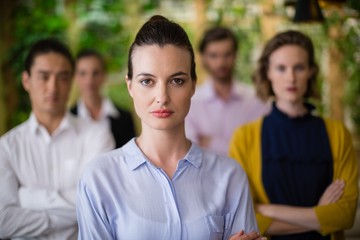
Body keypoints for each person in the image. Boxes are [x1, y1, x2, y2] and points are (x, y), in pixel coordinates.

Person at [76, 15, 265, 240]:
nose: (162, 97)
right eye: (147, 81)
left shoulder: (229, 176)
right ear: (130, 86)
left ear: (193, 85)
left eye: (177, 81)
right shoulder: (99, 178)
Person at [229, 30, 359, 240]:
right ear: (268, 73)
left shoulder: (338, 134)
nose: (291, 77)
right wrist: (319, 215)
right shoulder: (244, 137)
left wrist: (270, 210)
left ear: (310, 72)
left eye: (299, 67)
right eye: (281, 68)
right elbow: (245, 217)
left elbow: (345, 215)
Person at [0, 38, 114, 239]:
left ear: (71, 82)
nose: (52, 87)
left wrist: (28, 199)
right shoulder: (7, 147)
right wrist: (65, 218)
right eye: (44, 76)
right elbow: (4, 222)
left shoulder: (97, 135)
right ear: (26, 81)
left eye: (62, 77)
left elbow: (99, 204)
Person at [185, 26, 270, 156]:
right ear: (203, 58)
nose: (221, 62)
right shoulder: (191, 103)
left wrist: (211, 142)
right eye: (214, 55)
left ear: (235, 55)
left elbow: (261, 147)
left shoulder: (256, 100)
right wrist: (240, 145)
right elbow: (190, 152)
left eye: (227, 54)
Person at [71, 49, 136, 148]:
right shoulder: (69, 118)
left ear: (104, 75)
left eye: (95, 73)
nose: (89, 80)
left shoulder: (125, 118)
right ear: (75, 76)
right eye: (83, 73)